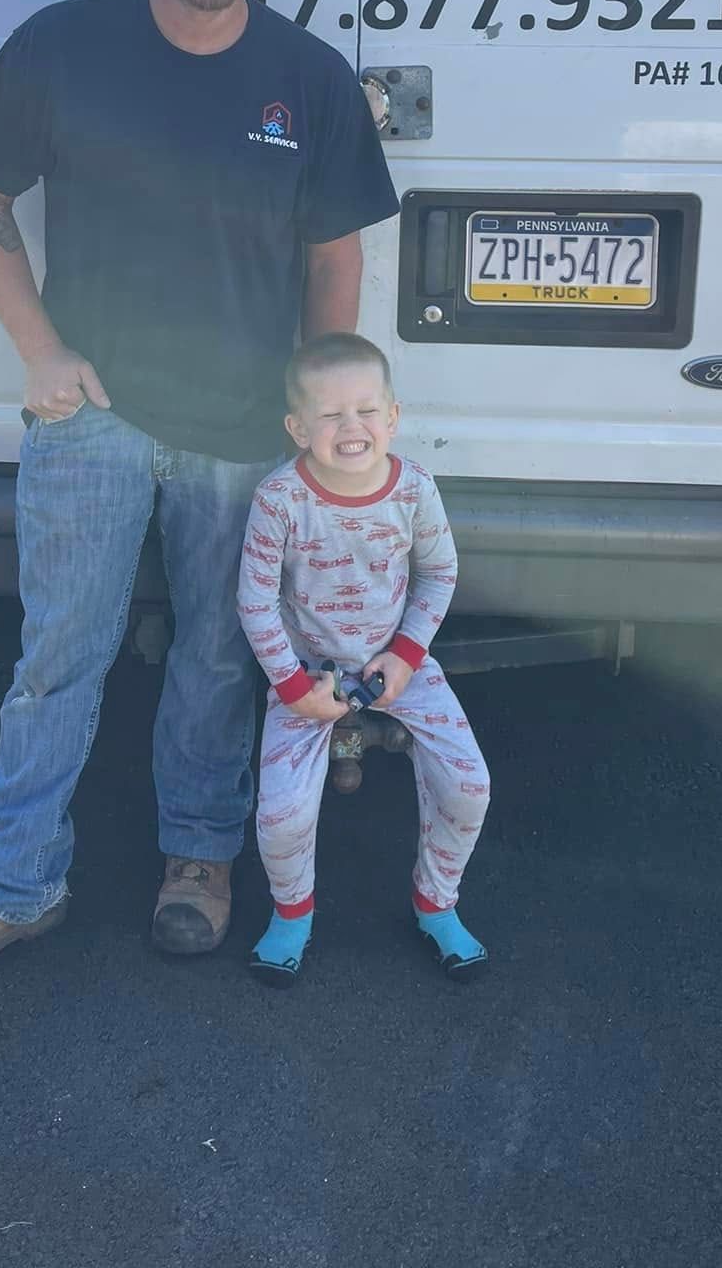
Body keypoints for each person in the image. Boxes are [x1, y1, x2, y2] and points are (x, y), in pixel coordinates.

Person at [0, 0, 399, 999]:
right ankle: (11, 886)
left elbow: (335, 258)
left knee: (219, 655)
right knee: (56, 658)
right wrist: (41, 350)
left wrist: (322, 412)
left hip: (241, 426)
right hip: (93, 416)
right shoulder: (65, 46)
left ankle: (198, 859)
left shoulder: (310, 76)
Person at [237, 332, 491, 986]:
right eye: (330, 414)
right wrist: (293, 686)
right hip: (306, 675)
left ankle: (437, 903)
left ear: (393, 417)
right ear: (298, 428)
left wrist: (405, 656)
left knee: (469, 785)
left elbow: (438, 573)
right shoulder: (278, 500)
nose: (352, 427)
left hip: (398, 664)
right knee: (282, 814)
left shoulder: (415, 489)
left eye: (367, 410)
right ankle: (291, 915)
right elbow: (255, 602)